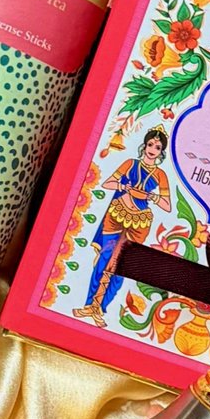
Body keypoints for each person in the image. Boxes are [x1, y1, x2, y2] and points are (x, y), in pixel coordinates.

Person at [73, 126, 172, 325]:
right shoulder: (130, 164)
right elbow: (107, 183)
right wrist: (122, 186)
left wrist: (153, 197)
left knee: (121, 267)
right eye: (150, 144)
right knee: (104, 259)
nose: (152, 149)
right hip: (117, 213)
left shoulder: (160, 175)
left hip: (139, 222)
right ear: (144, 145)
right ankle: (89, 304)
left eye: (157, 147)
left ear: (161, 152)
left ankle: (100, 309)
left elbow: (167, 205)